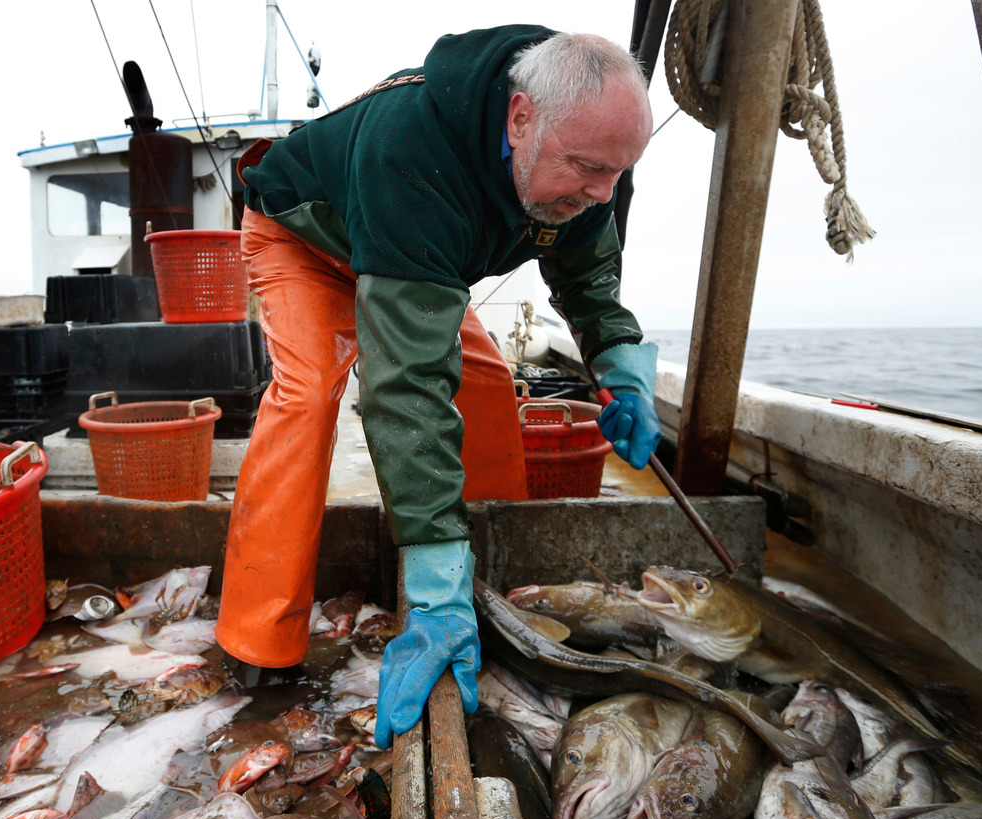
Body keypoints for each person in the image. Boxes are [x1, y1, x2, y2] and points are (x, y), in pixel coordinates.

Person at [214, 24, 663, 749]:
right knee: (307, 397)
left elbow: (587, 277)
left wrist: (618, 363)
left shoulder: (586, 163)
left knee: (485, 385)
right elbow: (405, 387)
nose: (601, 192)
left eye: (616, 173)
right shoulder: (412, 147)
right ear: (520, 118)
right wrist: (429, 581)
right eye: (586, 169)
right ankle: (257, 642)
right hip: (305, 242)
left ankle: (492, 593)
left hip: (416, 261)